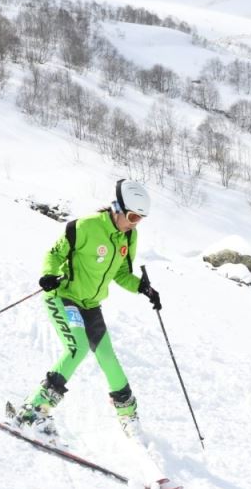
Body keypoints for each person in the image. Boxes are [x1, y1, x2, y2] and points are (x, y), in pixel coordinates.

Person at [11, 179, 162, 440]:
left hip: (90, 305)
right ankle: (33, 411)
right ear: (117, 207)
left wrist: (143, 288)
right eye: (133, 216)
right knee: (77, 348)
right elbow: (54, 254)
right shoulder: (85, 227)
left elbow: (122, 274)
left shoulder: (129, 236)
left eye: (140, 219)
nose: (135, 223)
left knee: (108, 358)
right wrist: (48, 275)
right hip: (64, 296)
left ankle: (128, 416)